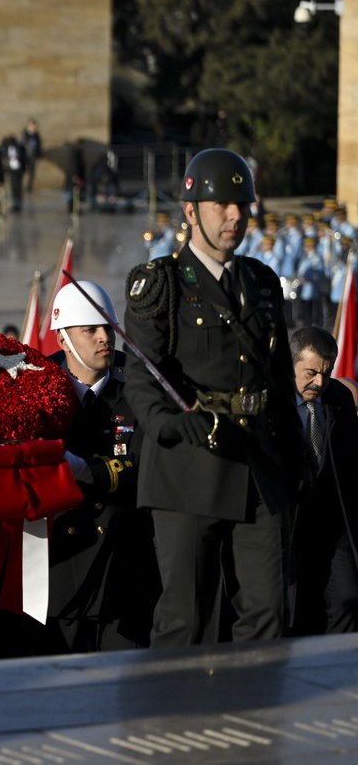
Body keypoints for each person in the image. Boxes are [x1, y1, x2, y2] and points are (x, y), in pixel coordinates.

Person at [124, 148, 302, 647]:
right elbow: (143, 375)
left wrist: (296, 452)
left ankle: (253, 719)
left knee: (268, 612)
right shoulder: (159, 283)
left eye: (242, 205)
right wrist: (169, 422)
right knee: (186, 619)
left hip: (259, 465)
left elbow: (279, 377)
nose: (234, 216)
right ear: (190, 210)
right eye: (221, 204)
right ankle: (177, 722)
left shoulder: (261, 282)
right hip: (190, 465)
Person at [47, 281, 158, 652]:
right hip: (60, 568)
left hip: (123, 565)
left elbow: (147, 463)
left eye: (107, 329)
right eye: (89, 330)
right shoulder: (37, 386)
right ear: (63, 339)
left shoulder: (140, 385)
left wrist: (88, 471)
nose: (103, 338)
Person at [288, 326, 358, 635]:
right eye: (311, 373)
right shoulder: (273, 400)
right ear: (291, 364)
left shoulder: (339, 398)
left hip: (330, 524)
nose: (319, 382)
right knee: (293, 607)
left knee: (347, 599)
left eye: (326, 374)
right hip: (287, 524)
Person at [22, 118, 43, 192]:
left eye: (34, 125)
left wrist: (39, 155)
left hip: (33, 157)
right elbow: (23, 144)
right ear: (29, 125)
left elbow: (39, 145)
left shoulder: (36, 135)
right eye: (32, 125)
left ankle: (29, 187)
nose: (34, 127)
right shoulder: (25, 133)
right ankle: (21, 186)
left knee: (32, 173)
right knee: (23, 171)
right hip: (25, 156)